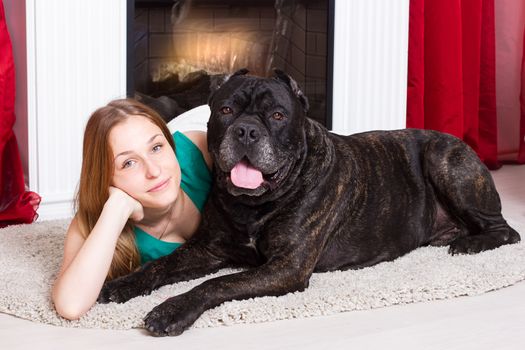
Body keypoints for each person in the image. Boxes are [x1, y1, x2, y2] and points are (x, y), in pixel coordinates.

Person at [52, 98, 212, 320]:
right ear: (106, 178)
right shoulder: (95, 219)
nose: (154, 171)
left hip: (198, 119)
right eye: (128, 163)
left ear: (170, 146)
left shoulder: (202, 152)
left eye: (157, 147)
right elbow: (70, 305)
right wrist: (116, 209)